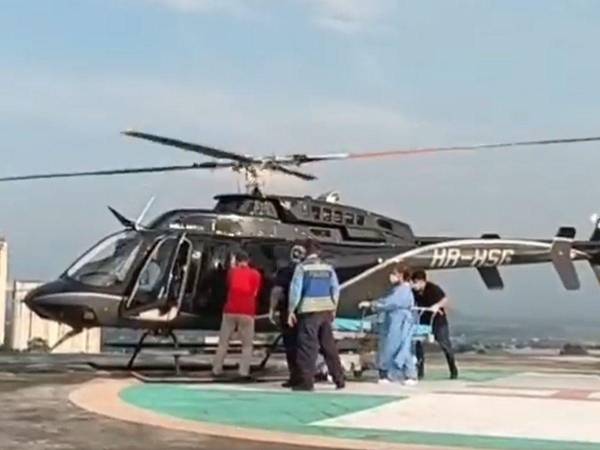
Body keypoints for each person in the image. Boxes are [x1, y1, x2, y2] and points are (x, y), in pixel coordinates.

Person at [287, 240, 345, 391]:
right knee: (329, 346)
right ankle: (339, 379)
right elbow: (335, 289)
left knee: (307, 347)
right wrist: (334, 308)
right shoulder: (328, 268)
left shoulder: (302, 268)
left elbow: (295, 291)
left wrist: (291, 311)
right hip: (326, 310)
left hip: (308, 311)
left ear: (305, 252)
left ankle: (306, 382)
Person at [360, 264, 418, 385]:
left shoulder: (404, 290)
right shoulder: (397, 289)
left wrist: (373, 305)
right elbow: (387, 301)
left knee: (400, 348)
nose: (391, 276)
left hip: (399, 321)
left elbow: (390, 303)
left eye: (394, 273)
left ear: (401, 275)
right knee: (388, 347)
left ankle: (410, 375)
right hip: (392, 321)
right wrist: (374, 303)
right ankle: (385, 374)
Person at [212, 251, 262, 380]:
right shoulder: (255, 274)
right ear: (248, 260)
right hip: (247, 311)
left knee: (223, 342)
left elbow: (229, 286)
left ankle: (217, 369)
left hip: (230, 310)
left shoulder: (231, 272)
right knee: (247, 345)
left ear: (236, 260)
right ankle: (243, 371)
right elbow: (255, 293)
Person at [411, 270, 458, 379]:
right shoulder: (414, 292)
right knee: (418, 343)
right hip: (424, 318)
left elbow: (445, 299)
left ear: (423, 281)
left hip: (438, 320)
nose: (415, 285)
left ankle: (453, 368)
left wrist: (437, 306)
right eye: (413, 282)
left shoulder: (433, 288)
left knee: (444, 344)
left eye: (416, 282)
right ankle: (420, 371)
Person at [268, 258, 300, 388]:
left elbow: (277, 291)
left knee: (291, 345)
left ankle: (295, 376)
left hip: (288, 312)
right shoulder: (309, 270)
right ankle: (307, 375)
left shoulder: (285, 272)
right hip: (308, 312)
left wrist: (271, 309)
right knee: (307, 346)